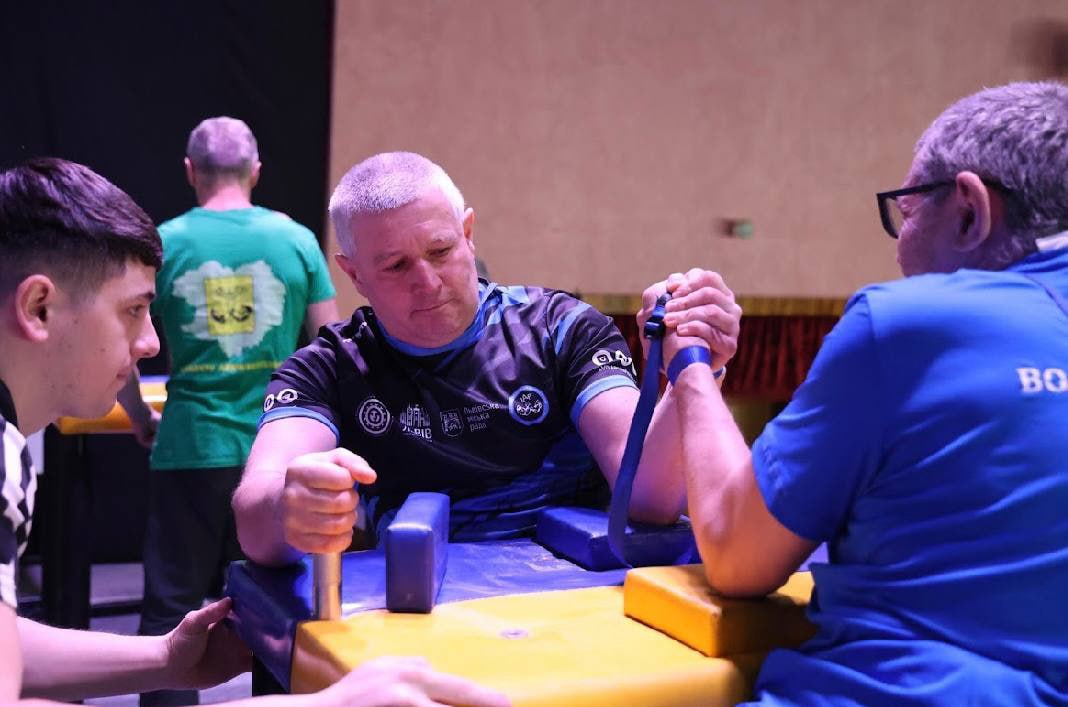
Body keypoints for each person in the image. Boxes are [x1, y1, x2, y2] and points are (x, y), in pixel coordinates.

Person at [0, 158, 509, 707]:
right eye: (133, 310)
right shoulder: (308, 290)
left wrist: (165, 659)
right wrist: (327, 704)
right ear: (39, 307)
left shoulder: (11, 448)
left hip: (189, 448)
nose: (150, 342)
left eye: (440, 251)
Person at [652, 81, 1068, 705]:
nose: (899, 247)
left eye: (908, 211)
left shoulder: (909, 321)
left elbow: (737, 557)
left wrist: (689, 362)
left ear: (969, 210)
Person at [232, 151, 742, 565]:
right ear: (354, 274)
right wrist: (289, 509)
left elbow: (648, 498)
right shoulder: (327, 367)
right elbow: (255, 520)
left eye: (440, 251)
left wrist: (695, 370)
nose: (427, 282)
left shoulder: (561, 327)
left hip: (578, 589)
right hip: (422, 606)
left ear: (468, 234)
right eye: (395, 266)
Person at [117, 117, 339, 705]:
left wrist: (140, 419)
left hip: (188, 447)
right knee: (274, 612)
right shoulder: (296, 240)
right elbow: (332, 347)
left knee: (170, 610)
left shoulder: (162, 244)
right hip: (278, 454)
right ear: (256, 172)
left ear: (190, 171)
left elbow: (122, 349)